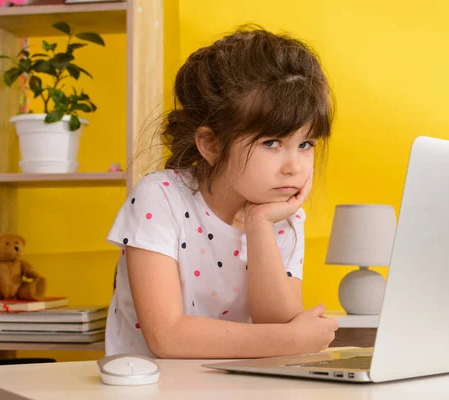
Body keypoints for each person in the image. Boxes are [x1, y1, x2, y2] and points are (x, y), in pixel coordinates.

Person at [105, 26, 338, 358]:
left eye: (305, 144)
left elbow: (277, 321)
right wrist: (292, 339)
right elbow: (167, 336)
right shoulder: (160, 198)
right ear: (211, 144)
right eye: (271, 143)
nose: (294, 167)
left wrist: (259, 226)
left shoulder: (281, 215)